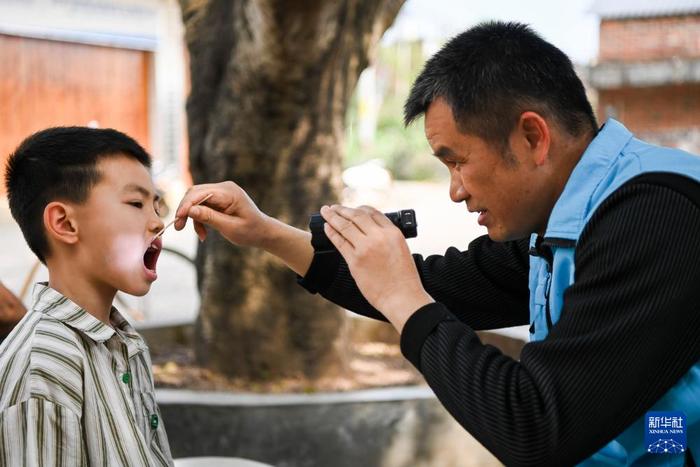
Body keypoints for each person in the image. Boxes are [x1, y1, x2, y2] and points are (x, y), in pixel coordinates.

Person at [175, 22, 699, 466]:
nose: (455, 191)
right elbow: (441, 286)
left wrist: (406, 300)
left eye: (457, 160)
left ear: (532, 137)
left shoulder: (657, 216)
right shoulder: (572, 217)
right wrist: (268, 233)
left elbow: (536, 425)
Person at [1, 127, 173, 466]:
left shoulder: (123, 341)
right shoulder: (47, 366)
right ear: (64, 223)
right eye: (136, 203)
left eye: (157, 205)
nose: (157, 222)